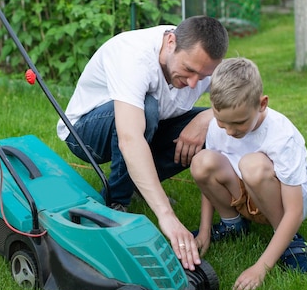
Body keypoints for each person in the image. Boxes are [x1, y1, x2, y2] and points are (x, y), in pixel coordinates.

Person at [57, 16, 229, 271]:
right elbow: (130, 138)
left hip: (146, 126)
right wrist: (167, 217)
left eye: (203, 76)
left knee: (220, 124)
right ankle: (115, 204)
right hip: (86, 133)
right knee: (147, 109)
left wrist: (208, 117)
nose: (194, 83)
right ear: (171, 42)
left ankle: (140, 182)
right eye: (190, 70)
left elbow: (245, 98)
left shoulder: (203, 63)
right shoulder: (133, 56)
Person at [190, 57, 307, 290]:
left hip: (285, 201)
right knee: (201, 163)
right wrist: (204, 229)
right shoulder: (220, 127)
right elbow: (207, 184)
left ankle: (290, 243)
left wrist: (260, 267)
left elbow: (294, 210)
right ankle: (233, 226)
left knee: (253, 166)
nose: (229, 131)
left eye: (238, 123)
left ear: (262, 104)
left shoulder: (281, 136)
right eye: (221, 121)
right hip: (246, 191)